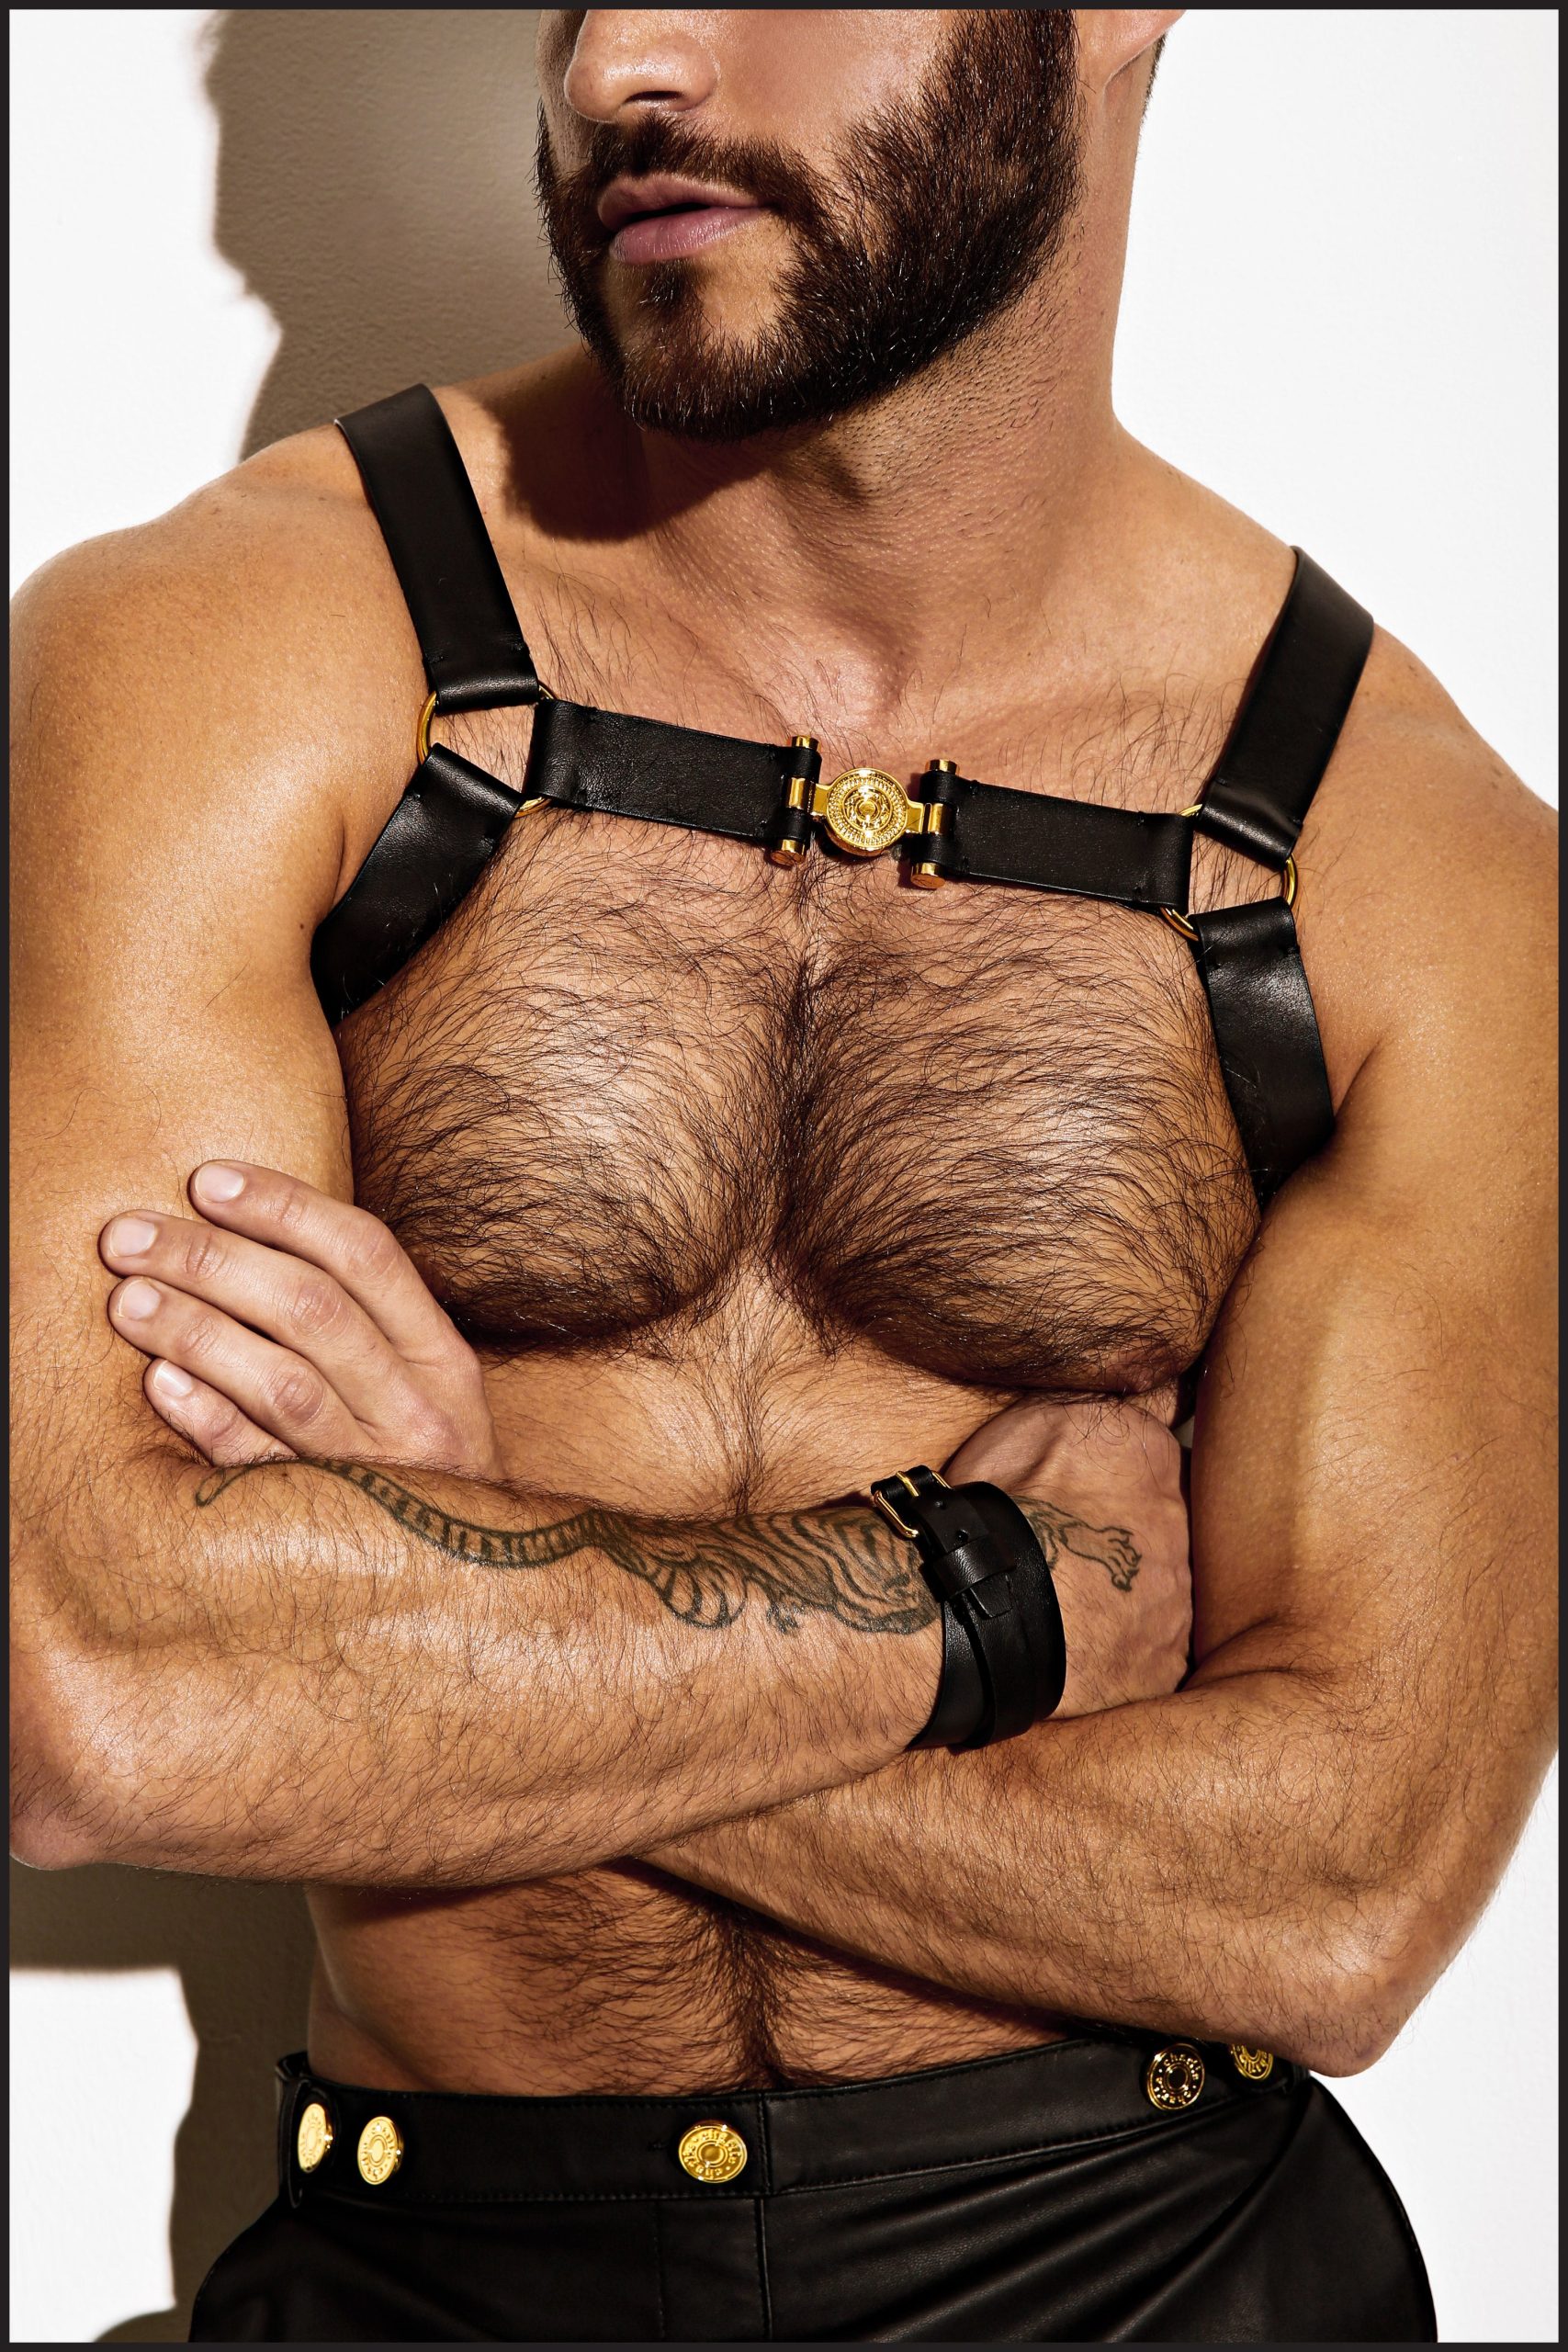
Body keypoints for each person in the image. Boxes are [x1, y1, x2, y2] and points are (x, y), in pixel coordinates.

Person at [10, 10, 1554, 2343]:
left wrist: (452, 1581)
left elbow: (1329, 1900)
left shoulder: (1407, 856)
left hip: (1152, 2270)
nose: (621, 58)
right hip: (434, 2277)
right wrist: (973, 1606)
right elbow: (102, 1697)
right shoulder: (235, 647)